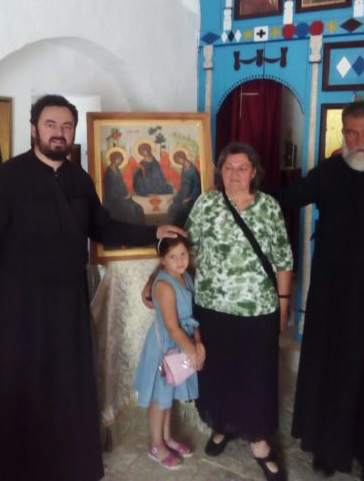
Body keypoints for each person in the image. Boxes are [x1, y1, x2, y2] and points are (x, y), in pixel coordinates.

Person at [0, 94, 185, 481]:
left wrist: (153, 233)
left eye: (66, 126)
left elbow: (104, 227)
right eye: (50, 125)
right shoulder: (7, 179)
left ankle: (70, 467)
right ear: (34, 129)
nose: (59, 133)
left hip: (68, 304)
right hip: (21, 307)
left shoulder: (78, 179)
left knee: (68, 386)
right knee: (20, 388)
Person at [148, 142, 292, 481]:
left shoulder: (269, 207)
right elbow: (183, 250)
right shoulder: (207, 203)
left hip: (258, 308)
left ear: (254, 172)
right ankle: (222, 426)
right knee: (218, 372)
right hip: (212, 307)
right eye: (228, 167)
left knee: (257, 375)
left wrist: (284, 304)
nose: (234, 174)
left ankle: (259, 441)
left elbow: (284, 259)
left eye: (242, 167)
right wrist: (156, 278)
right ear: (220, 172)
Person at [276, 99, 364, 481]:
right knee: (331, 373)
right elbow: (284, 199)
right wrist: (234, 192)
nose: (360, 141)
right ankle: (330, 450)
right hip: (333, 299)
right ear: (343, 133)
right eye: (352, 132)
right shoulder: (330, 172)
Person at [135, 236, 205, 470]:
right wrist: (193, 352)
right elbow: (173, 327)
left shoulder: (186, 277)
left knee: (168, 395)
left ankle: (166, 437)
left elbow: (192, 316)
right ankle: (156, 445)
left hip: (181, 343)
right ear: (162, 260)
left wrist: (198, 341)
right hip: (165, 347)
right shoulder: (164, 286)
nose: (180, 260)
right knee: (159, 397)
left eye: (183, 254)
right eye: (173, 257)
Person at [103, 148, 145, 224]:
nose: (120, 161)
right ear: (113, 159)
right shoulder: (109, 174)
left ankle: (141, 228)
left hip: (123, 197)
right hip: (114, 200)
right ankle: (131, 228)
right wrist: (123, 197)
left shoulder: (117, 170)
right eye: (118, 159)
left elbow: (122, 185)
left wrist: (127, 193)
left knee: (139, 208)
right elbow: (111, 193)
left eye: (121, 159)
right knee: (131, 209)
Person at [167, 150, 201, 227]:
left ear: (182, 157)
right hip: (183, 194)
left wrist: (190, 198)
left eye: (179, 160)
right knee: (172, 208)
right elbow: (183, 185)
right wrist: (175, 196)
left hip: (191, 197)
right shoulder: (184, 168)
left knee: (182, 210)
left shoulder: (193, 170)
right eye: (177, 161)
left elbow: (197, 186)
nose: (179, 162)